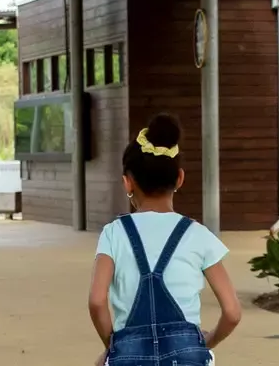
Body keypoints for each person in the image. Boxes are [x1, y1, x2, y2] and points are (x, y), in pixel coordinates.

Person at [88, 114, 242, 366]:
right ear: (179, 178)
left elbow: (96, 301)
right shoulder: (198, 234)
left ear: (128, 183)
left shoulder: (113, 233)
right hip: (187, 356)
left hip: (130, 355)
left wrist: (114, 347)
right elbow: (233, 313)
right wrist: (208, 341)